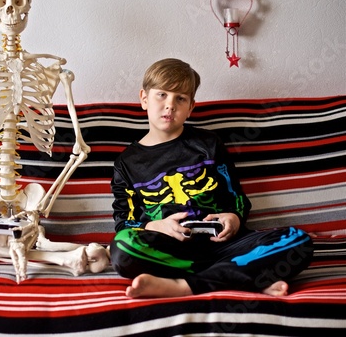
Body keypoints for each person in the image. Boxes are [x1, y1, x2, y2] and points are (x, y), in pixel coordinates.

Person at [109, 58, 314, 298]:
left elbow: (237, 198)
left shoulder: (208, 145)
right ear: (144, 98)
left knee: (298, 241)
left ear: (191, 107)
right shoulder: (127, 163)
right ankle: (243, 278)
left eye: (180, 98)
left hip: (226, 245)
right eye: (161, 95)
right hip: (173, 252)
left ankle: (184, 286)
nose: (170, 105)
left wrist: (234, 219)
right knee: (122, 246)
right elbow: (124, 223)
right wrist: (155, 226)